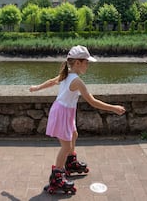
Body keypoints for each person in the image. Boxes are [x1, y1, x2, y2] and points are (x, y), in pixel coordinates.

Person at [29, 45, 126, 194]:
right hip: (62, 113)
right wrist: (114, 108)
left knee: (74, 135)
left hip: (66, 112)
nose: (88, 65)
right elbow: (92, 101)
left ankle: (70, 163)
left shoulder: (67, 74)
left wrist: (37, 88)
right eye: (86, 62)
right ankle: (57, 177)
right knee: (66, 146)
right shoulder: (76, 81)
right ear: (78, 63)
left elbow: (50, 81)